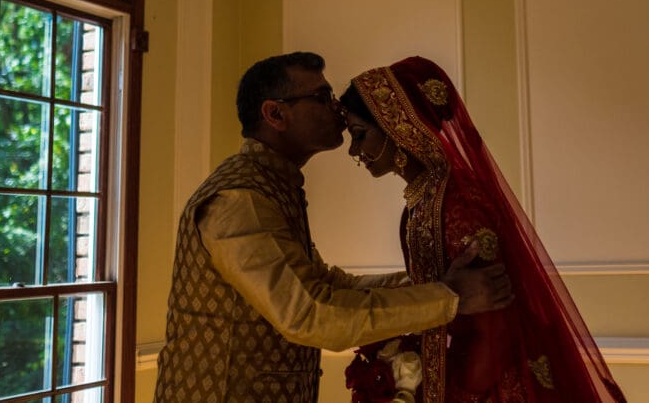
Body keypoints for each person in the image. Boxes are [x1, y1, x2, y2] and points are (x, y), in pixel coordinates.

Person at [153, 52, 513, 403]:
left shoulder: (273, 187)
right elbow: (311, 314)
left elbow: (329, 284)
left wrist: (435, 282)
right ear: (275, 113)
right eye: (321, 97)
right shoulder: (240, 199)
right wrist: (449, 298)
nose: (338, 109)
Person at [340, 56, 626, 402]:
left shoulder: (459, 204)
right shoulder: (420, 205)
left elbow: (496, 330)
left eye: (359, 134)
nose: (355, 150)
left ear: (396, 124)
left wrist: (451, 394)